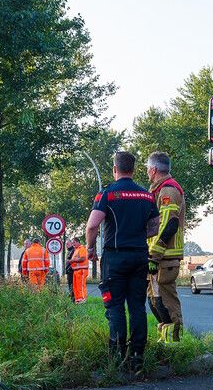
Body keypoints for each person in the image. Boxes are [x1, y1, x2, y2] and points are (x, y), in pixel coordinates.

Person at [85, 151, 160, 374]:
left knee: (115, 306)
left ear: (114, 169)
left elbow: (92, 226)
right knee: (137, 306)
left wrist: (90, 249)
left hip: (114, 258)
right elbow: (154, 227)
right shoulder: (147, 196)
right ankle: (137, 356)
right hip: (139, 257)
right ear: (134, 170)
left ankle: (117, 356)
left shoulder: (106, 194)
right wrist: (137, 236)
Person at [146, 151, 185, 342]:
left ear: (153, 170)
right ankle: (165, 341)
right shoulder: (159, 190)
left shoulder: (169, 190)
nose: (147, 172)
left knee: (165, 301)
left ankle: (174, 344)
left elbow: (169, 224)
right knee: (155, 301)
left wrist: (154, 255)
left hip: (164, 257)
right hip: (158, 257)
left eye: (147, 169)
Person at [69, 237, 89, 304]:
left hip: (82, 270)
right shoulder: (76, 250)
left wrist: (72, 260)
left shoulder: (81, 248)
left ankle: (83, 299)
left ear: (78, 242)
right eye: (72, 243)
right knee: (76, 286)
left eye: (74, 242)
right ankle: (78, 299)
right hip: (76, 271)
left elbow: (82, 258)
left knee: (81, 285)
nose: (73, 244)